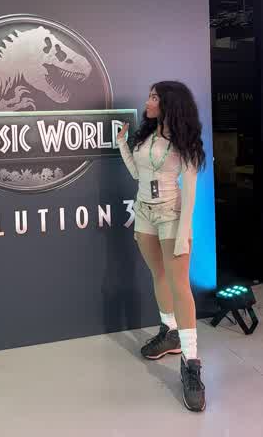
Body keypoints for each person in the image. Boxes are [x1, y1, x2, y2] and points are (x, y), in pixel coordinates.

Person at [117, 81, 206, 413]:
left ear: (169, 103)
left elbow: (191, 193)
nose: (147, 101)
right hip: (144, 214)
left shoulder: (185, 142)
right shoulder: (146, 136)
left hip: (171, 215)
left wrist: (184, 233)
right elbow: (137, 174)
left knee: (180, 285)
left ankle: (191, 363)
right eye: (149, 96)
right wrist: (122, 145)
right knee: (159, 275)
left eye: (154, 97)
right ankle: (169, 332)